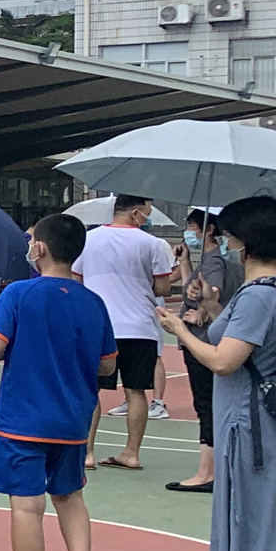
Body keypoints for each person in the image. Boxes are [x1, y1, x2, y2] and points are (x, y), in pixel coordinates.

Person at [158, 195, 276, 551]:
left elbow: (225, 360)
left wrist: (181, 331)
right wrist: (213, 305)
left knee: (257, 533)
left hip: (249, 423)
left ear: (244, 242)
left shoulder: (260, 295)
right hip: (271, 424)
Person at [0, 214, 117, 551]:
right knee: (70, 498)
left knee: (27, 507)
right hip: (73, 419)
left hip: (23, 419)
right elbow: (107, 366)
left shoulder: (19, 293)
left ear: (39, 248)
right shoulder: (92, 301)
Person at [76, 195, 173, 472]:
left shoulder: (88, 240)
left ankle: (87, 452)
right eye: (147, 213)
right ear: (135, 213)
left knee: (91, 388)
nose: (148, 218)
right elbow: (163, 287)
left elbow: (77, 278)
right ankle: (131, 452)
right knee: (136, 390)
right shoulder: (152, 243)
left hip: (99, 324)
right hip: (139, 325)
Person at [171, 209, 241, 495]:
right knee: (210, 404)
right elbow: (195, 286)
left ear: (208, 229)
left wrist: (200, 313)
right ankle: (214, 469)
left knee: (206, 405)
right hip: (204, 339)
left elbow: (212, 290)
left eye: (192, 226)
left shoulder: (214, 260)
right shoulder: (208, 260)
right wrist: (185, 262)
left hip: (202, 341)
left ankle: (207, 472)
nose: (189, 231)